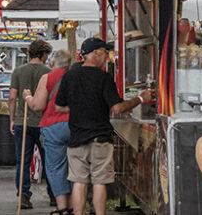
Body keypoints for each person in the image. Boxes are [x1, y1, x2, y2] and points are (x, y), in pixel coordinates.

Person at [54, 38, 153, 215]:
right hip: (100, 138)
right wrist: (140, 99)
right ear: (96, 53)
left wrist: (78, 107)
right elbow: (117, 108)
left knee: (79, 182)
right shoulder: (104, 78)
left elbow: (59, 107)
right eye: (105, 53)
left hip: (76, 138)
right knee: (99, 182)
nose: (107, 57)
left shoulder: (69, 76)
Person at [24, 49, 73, 215]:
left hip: (53, 126)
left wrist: (28, 97)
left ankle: (62, 208)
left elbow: (38, 105)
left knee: (55, 167)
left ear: (53, 63)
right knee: (75, 166)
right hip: (75, 125)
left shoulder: (48, 78)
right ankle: (75, 205)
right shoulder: (75, 77)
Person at [10, 39, 53, 210]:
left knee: (23, 161)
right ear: (43, 54)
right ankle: (54, 195)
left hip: (23, 121)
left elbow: (12, 97)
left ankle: (24, 196)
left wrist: (12, 119)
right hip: (43, 122)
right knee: (49, 161)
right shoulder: (48, 72)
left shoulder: (18, 71)